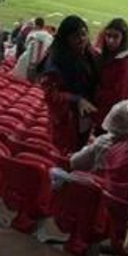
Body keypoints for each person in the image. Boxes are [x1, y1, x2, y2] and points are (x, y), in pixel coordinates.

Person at [42, 16, 99, 154]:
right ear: (65, 38)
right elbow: (50, 95)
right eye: (75, 36)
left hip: (85, 118)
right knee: (66, 154)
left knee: (80, 149)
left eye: (84, 34)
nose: (82, 39)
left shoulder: (89, 54)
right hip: (66, 121)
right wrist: (76, 99)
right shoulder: (55, 61)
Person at [92, 17, 128, 131]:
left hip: (111, 120)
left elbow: (121, 97)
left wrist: (94, 93)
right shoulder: (110, 56)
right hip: (103, 115)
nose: (110, 40)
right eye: (108, 35)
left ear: (123, 38)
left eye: (115, 37)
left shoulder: (126, 64)